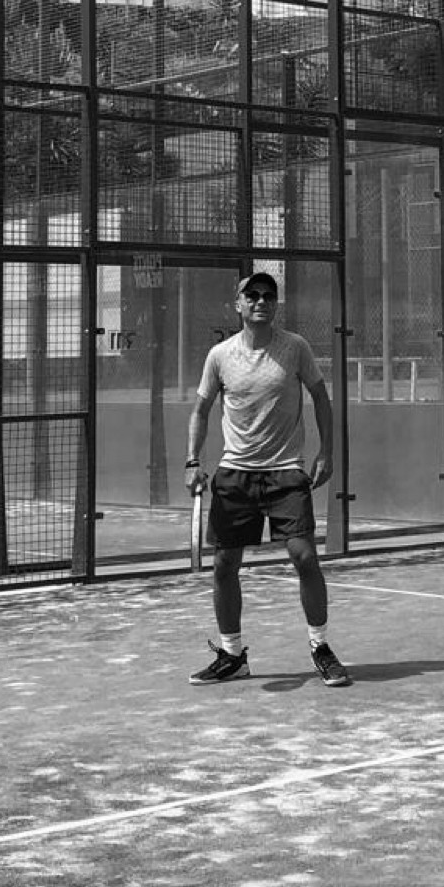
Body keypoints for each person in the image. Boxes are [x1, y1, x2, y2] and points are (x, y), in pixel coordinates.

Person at [184, 271, 351, 688]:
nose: (261, 300)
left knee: (304, 557)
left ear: (275, 305)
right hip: (235, 474)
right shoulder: (220, 355)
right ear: (238, 304)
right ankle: (232, 655)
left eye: (268, 295)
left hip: (285, 471)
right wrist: (192, 460)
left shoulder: (295, 348)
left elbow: (321, 397)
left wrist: (326, 452)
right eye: (253, 295)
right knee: (225, 564)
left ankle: (321, 647)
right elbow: (200, 410)